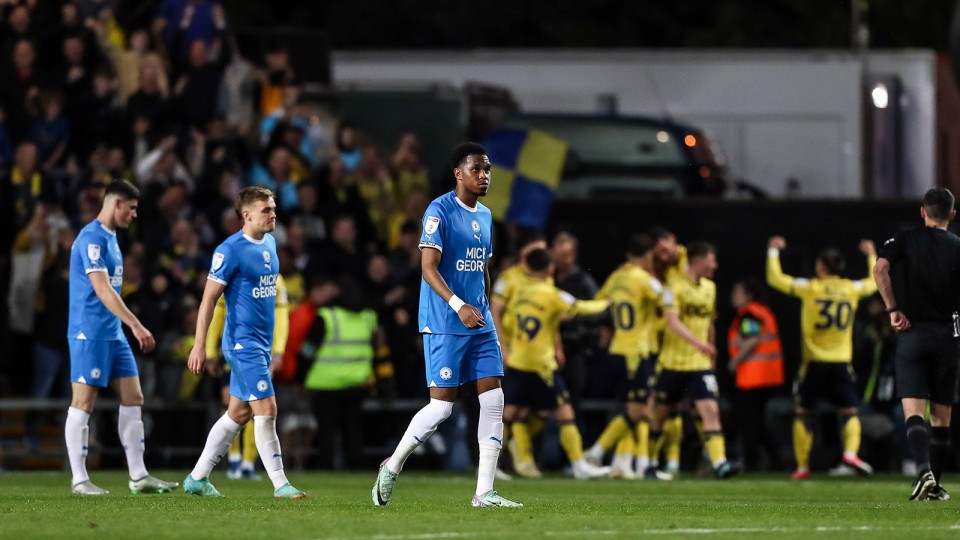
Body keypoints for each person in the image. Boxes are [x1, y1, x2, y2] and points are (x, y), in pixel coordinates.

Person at [371, 142, 522, 508]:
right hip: (445, 321)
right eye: (477, 169)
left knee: (495, 399)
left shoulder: (485, 216)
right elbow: (428, 268)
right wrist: (459, 306)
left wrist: (482, 308)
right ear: (459, 172)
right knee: (441, 408)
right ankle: (392, 466)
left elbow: (483, 267)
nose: (484, 176)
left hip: (478, 321)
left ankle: (484, 492)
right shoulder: (439, 210)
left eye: (487, 170)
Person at [184, 186, 305, 499]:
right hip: (242, 344)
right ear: (247, 214)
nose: (273, 214)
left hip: (262, 345)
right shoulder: (229, 250)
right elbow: (209, 300)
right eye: (267, 210)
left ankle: (197, 478)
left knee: (238, 414)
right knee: (267, 407)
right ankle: (281, 484)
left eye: (274, 208)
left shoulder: (271, 244)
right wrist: (200, 346)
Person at [65, 179, 178, 495]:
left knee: (134, 397)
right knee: (83, 402)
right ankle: (79, 479)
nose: (134, 215)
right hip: (91, 333)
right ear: (115, 204)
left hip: (112, 333)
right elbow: (102, 290)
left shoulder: (112, 238)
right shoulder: (92, 239)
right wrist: (136, 324)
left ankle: (139, 476)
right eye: (131, 208)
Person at [873, 187, 960, 501]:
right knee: (941, 415)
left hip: (913, 332)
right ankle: (933, 484)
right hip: (949, 335)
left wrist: (893, 309)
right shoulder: (957, 246)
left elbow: (879, 268)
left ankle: (923, 472)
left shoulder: (905, 239)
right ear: (952, 215)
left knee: (913, 409)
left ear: (922, 212)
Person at [767, 235, 877, 480]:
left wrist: (773, 252)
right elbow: (874, 282)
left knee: (803, 412)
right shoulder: (850, 289)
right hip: (841, 362)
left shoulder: (810, 288)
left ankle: (803, 467)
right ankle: (850, 453)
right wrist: (871, 254)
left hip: (814, 363)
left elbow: (775, 279)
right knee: (849, 411)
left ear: (820, 267)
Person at [502, 247, 611, 480]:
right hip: (542, 366)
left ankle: (488, 465)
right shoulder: (551, 294)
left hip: (519, 361)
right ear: (550, 268)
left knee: (510, 415)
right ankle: (579, 464)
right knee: (565, 412)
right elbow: (581, 307)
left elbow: (509, 322)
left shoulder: (519, 293)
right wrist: (605, 304)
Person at [648, 242, 742, 480]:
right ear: (698, 260)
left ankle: (720, 464)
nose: (715, 265)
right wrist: (698, 343)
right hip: (672, 363)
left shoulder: (710, 288)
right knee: (660, 416)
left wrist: (710, 351)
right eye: (712, 260)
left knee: (710, 409)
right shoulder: (674, 287)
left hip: (698, 365)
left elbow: (710, 322)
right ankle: (649, 463)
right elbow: (672, 321)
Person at [584, 233, 668, 480]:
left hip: (619, 347)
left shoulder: (617, 276)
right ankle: (598, 451)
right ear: (649, 255)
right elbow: (669, 300)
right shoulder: (644, 280)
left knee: (630, 406)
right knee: (641, 408)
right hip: (638, 350)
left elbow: (602, 301)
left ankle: (624, 462)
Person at [204, 270, 289, 481]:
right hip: (235, 347)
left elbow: (282, 316)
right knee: (237, 406)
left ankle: (247, 463)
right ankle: (234, 462)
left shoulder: (276, 280)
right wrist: (210, 351)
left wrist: (278, 350)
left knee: (250, 409)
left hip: (262, 351)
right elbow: (217, 312)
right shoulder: (235, 272)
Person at [727, 278, 786, 472]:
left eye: (737, 292)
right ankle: (777, 457)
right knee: (757, 421)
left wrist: (734, 362)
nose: (733, 296)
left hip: (754, 377)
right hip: (764, 376)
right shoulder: (759, 311)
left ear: (748, 295)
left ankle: (752, 461)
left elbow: (752, 339)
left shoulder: (750, 313)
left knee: (749, 421)